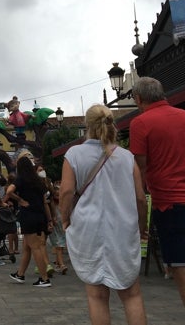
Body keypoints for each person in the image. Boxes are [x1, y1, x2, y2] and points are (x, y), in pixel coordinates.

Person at [60, 104, 147, 323]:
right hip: (123, 228)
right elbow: (139, 197)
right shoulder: (127, 157)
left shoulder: (74, 154)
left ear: (87, 126)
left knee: (97, 296)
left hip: (88, 228)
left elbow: (67, 192)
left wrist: (65, 219)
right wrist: (141, 227)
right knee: (132, 294)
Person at [129, 76, 185, 306]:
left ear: (139, 99)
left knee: (180, 266)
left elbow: (139, 168)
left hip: (169, 202)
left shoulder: (141, 123)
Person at [7, 156, 52, 287]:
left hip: (28, 216)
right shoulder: (38, 181)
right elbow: (45, 202)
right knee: (27, 247)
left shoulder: (21, 180)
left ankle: (44, 278)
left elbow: (9, 191)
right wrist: (49, 220)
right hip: (40, 216)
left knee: (35, 247)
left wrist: (20, 200)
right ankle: (20, 274)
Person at [49, 182, 67, 275]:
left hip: (61, 227)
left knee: (60, 245)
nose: (58, 196)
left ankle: (57, 263)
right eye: (56, 194)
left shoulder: (63, 203)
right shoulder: (52, 204)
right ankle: (62, 265)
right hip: (56, 227)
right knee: (59, 245)